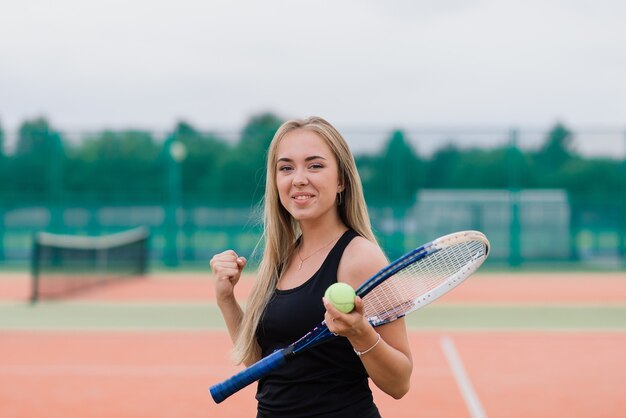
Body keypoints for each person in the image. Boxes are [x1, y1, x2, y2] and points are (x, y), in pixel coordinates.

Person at [210, 116, 413, 417]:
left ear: (341, 180)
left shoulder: (360, 258)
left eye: (315, 165)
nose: (299, 178)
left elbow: (399, 382)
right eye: (286, 167)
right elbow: (262, 366)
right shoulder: (281, 258)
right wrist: (226, 299)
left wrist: (359, 332)